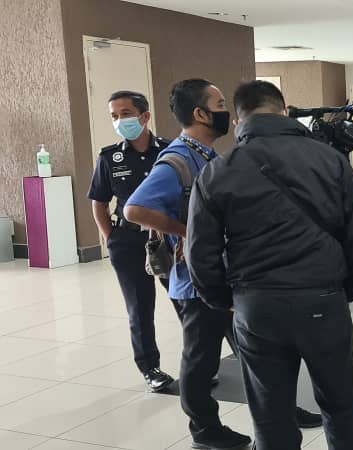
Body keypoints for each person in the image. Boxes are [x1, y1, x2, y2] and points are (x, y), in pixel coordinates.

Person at [124, 79, 321, 449]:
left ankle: (281, 412)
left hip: (225, 276)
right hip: (197, 283)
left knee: (257, 353)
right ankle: (205, 430)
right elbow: (134, 209)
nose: (225, 111)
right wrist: (187, 232)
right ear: (200, 114)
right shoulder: (177, 160)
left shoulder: (208, 155)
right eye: (218, 104)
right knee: (201, 360)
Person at [186, 80, 353, 450]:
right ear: (285, 112)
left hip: (257, 306)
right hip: (323, 299)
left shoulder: (218, 171)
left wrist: (227, 300)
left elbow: (200, 253)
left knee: (270, 413)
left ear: (238, 121)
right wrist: (345, 289)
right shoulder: (331, 160)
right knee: (342, 404)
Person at [87, 90, 176, 392]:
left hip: (167, 238)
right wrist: (111, 237)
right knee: (139, 308)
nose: (119, 120)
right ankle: (150, 369)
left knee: (184, 300)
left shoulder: (170, 150)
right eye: (114, 116)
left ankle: (200, 364)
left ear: (144, 116)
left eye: (125, 114)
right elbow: (99, 202)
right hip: (128, 241)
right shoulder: (109, 157)